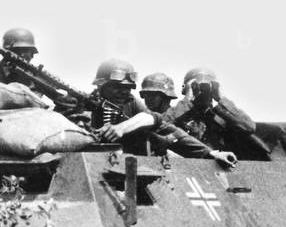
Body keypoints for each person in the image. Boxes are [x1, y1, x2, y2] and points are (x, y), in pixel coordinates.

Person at [88, 58, 236, 166]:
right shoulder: (84, 106)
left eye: (127, 87)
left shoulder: (130, 103)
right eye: (117, 87)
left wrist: (210, 153)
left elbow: (164, 127)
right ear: (101, 85)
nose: (123, 92)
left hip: (126, 169)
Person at [167, 66, 262, 158]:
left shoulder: (222, 117)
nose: (203, 92)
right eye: (197, 87)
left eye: (208, 88)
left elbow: (249, 127)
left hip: (217, 169)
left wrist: (221, 98)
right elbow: (159, 127)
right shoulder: (178, 113)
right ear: (186, 89)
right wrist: (187, 99)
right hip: (184, 168)